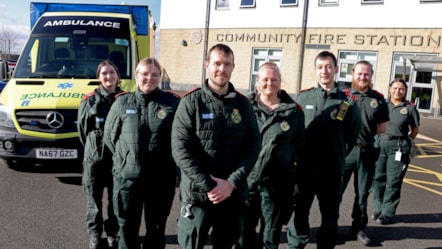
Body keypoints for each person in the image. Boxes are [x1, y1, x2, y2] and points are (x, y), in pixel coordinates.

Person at [171, 43, 261, 249]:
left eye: (227, 64)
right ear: (207, 65)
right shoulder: (190, 102)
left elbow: (253, 146)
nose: (222, 69)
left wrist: (230, 183)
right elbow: (180, 149)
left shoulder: (243, 104)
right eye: (217, 63)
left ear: (233, 67)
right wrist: (210, 185)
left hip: (232, 194)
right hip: (198, 194)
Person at [287, 50, 361, 249]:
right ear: (315, 70)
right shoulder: (303, 98)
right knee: (300, 212)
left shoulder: (346, 102)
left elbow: (352, 136)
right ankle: (296, 245)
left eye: (328, 66)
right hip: (304, 170)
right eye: (320, 67)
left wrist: (336, 155)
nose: (324, 71)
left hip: (331, 170)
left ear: (336, 69)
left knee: (330, 216)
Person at [103, 58, 180, 249]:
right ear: (137, 75)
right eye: (145, 74)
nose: (149, 78)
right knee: (127, 231)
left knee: (156, 231)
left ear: (160, 77)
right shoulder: (122, 102)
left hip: (161, 181)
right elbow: (110, 139)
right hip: (128, 181)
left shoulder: (172, 103)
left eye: (154, 74)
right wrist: (126, 162)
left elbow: (180, 140)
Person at [237, 62, 305, 249]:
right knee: (243, 233)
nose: (269, 83)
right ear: (257, 81)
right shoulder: (242, 106)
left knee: (270, 235)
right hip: (246, 181)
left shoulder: (294, 112)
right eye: (265, 79)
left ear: (280, 82)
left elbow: (299, 148)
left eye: (274, 79)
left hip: (276, 185)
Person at [339, 60, 390, 246]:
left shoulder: (378, 99)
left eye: (366, 74)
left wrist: (365, 134)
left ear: (371, 75)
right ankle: (331, 227)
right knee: (336, 192)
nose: (362, 77)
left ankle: (358, 229)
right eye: (359, 73)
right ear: (353, 74)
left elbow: (383, 126)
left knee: (362, 195)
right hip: (346, 153)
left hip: (366, 152)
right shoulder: (345, 97)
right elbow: (339, 121)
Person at [77, 60, 122, 249]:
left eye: (112, 72)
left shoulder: (124, 99)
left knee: (116, 198)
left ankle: (112, 233)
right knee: (93, 199)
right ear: (98, 77)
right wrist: (94, 147)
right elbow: (82, 131)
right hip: (94, 158)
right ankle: (95, 234)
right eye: (104, 73)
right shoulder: (89, 100)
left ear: (117, 76)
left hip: (118, 159)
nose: (108, 76)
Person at [372, 78, 420, 225]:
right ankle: (377, 209)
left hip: (398, 147)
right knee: (378, 178)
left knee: (393, 180)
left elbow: (415, 130)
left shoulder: (410, 108)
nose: (397, 91)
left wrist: (406, 141)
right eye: (394, 88)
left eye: (401, 89)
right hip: (380, 145)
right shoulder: (382, 105)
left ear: (405, 91)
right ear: (389, 88)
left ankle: (388, 213)